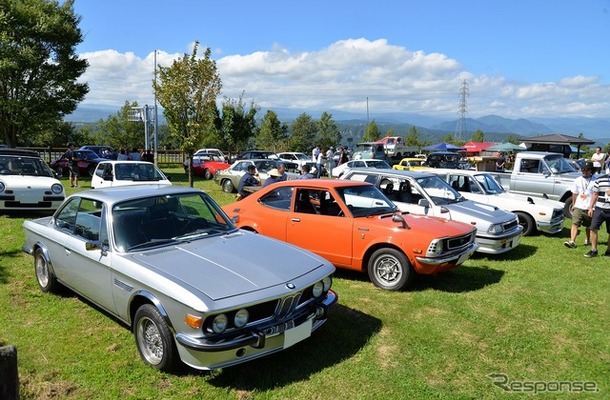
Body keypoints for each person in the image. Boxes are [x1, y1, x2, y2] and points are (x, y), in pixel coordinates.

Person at [564, 162, 596, 249]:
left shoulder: (595, 181)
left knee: (588, 226)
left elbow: (596, 195)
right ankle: (572, 241)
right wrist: (574, 204)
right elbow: (574, 193)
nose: (585, 171)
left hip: (589, 207)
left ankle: (588, 239)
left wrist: (592, 207)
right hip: (579, 206)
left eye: (587, 170)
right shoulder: (577, 180)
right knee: (575, 223)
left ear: (591, 170)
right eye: (583, 170)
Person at [585, 173, 610, 257]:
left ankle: (609, 251)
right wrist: (591, 207)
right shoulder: (600, 179)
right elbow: (595, 194)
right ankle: (594, 250)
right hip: (599, 209)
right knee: (593, 228)